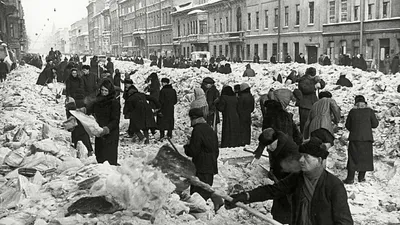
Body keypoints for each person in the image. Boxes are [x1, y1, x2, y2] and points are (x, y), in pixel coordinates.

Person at [226, 137, 354, 225]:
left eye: (306, 157)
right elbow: (273, 190)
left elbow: (344, 221)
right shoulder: (298, 178)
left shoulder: (333, 185)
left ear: (319, 160)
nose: (301, 160)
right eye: (301, 156)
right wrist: (246, 196)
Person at [252, 128, 300, 224]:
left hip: (290, 188)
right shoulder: (276, 146)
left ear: (276, 140)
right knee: (278, 213)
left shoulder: (290, 149)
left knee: (288, 214)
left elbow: (295, 173)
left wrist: (280, 181)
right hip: (280, 185)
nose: (268, 148)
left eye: (269, 145)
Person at [184, 108, 222, 211]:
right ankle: (211, 209)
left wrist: (186, 147)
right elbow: (216, 149)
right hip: (210, 165)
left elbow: (193, 151)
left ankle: (201, 213)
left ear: (193, 119)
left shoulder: (197, 130)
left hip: (200, 166)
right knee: (206, 189)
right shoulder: (209, 129)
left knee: (198, 194)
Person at [83, 80, 120, 165]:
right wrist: (84, 110)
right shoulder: (98, 100)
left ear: (110, 91)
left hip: (110, 133)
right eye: (102, 90)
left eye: (106, 91)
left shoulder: (114, 102)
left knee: (109, 157)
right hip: (99, 131)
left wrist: (107, 129)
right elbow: (91, 108)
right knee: (100, 155)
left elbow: (115, 120)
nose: (103, 92)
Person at [343, 95, 379, 184]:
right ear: (365, 103)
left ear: (355, 103)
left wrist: (355, 129)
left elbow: (347, 125)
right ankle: (361, 177)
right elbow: (375, 124)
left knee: (352, 157)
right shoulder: (370, 111)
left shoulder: (352, 112)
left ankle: (350, 178)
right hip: (367, 139)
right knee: (365, 158)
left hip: (355, 138)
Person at [294, 67, 326, 133]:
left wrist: (320, 82)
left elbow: (322, 84)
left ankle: (310, 137)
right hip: (305, 105)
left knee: (312, 123)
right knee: (305, 123)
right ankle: (304, 138)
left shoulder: (312, 79)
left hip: (312, 104)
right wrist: (314, 87)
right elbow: (304, 89)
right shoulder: (303, 80)